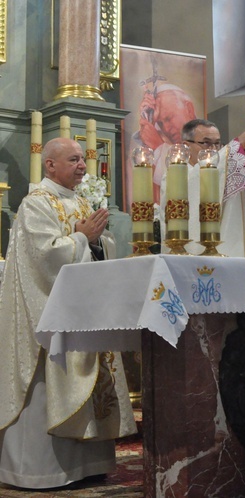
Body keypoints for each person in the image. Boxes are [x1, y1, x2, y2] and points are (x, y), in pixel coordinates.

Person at [0, 138, 136, 489]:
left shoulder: (80, 201)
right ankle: (42, 471)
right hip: (47, 313)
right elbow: (42, 259)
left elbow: (98, 246)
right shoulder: (35, 204)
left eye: (83, 160)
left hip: (83, 311)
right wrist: (80, 238)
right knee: (50, 381)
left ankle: (89, 464)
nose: (82, 166)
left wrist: (93, 240)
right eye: (74, 159)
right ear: (50, 165)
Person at [158, 119, 245, 257]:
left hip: (232, 254)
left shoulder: (226, 170)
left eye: (217, 144)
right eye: (206, 143)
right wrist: (237, 143)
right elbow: (195, 185)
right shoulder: (177, 175)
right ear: (186, 146)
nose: (213, 150)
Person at [136, 83, 198, 203]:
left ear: (189, 109)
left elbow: (190, 186)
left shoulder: (206, 140)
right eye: (160, 123)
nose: (166, 129)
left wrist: (160, 148)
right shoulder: (164, 140)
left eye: (169, 119)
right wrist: (146, 119)